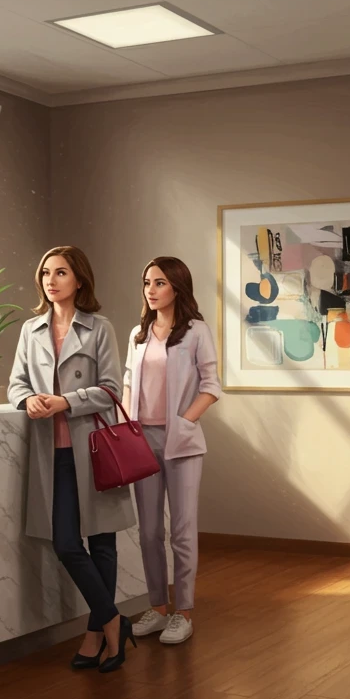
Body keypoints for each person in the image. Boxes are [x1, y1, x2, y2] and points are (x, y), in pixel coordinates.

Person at [8, 245, 138, 673]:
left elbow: (112, 389)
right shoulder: (30, 330)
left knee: (102, 541)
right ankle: (114, 620)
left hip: (93, 446)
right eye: (45, 272)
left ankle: (96, 632)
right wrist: (28, 399)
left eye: (60, 272)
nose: (51, 279)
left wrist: (66, 401)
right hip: (52, 453)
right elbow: (15, 385)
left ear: (78, 280)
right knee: (65, 543)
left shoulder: (99, 328)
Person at [123, 256, 221, 645]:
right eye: (147, 282)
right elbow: (129, 380)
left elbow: (212, 385)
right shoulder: (138, 335)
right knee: (148, 532)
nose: (150, 289)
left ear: (177, 287)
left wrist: (185, 422)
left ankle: (184, 612)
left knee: (181, 531)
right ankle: (157, 608)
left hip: (181, 442)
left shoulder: (196, 331)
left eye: (159, 282)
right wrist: (126, 423)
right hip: (140, 439)